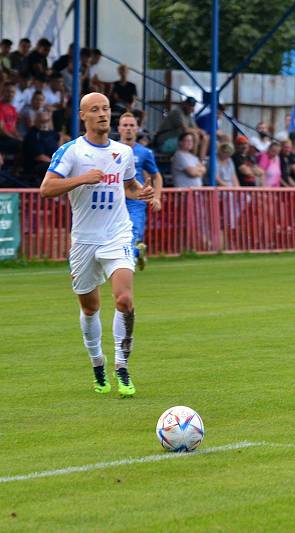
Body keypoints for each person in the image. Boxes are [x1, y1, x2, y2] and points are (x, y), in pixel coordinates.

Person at [39, 92, 154, 397]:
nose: (103, 114)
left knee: (124, 301)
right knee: (90, 308)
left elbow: (128, 186)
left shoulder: (123, 152)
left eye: (106, 109)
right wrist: (82, 179)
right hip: (84, 241)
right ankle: (97, 363)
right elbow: (47, 189)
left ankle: (122, 367)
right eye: (95, 110)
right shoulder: (72, 152)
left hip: (117, 234)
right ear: (83, 116)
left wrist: (143, 192)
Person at [118, 112, 163, 271]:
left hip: (136, 200)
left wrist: (156, 197)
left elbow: (156, 176)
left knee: (132, 232)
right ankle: (137, 252)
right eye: (125, 125)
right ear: (119, 129)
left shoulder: (144, 152)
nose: (128, 129)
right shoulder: (111, 149)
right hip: (116, 200)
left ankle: (127, 268)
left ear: (137, 129)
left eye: (131, 126)